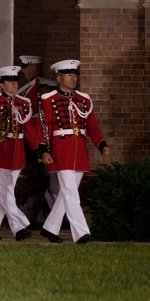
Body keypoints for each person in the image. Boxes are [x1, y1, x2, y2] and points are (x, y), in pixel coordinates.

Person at [0, 65, 51, 241]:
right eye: (10, 82)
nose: (14, 85)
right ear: (2, 84)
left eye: (16, 81)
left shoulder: (23, 103)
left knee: (4, 192)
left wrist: (39, 150)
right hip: (0, 151)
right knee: (6, 191)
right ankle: (20, 226)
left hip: (17, 154)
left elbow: (29, 131)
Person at [39, 60, 110, 244]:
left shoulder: (84, 99)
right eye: (69, 75)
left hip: (80, 150)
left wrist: (101, 144)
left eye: (75, 75)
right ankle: (81, 233)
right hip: (60, 150)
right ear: (59, 78)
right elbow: (43, 127)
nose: (73, 78)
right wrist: (44, 151)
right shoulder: (49, 99)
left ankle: (49, 228)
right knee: (71, 193)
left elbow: (92, 125)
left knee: (66, 193)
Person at [17, 54, 58, 224]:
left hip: (42, 139)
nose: (24, 71)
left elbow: (36, 117)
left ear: (35, 67)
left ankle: (57, 215)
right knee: (40, 181)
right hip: (34, 139)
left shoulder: (40, 85)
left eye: (26, 67)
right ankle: (42, 215)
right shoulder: (29, 86)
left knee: (47, 180)